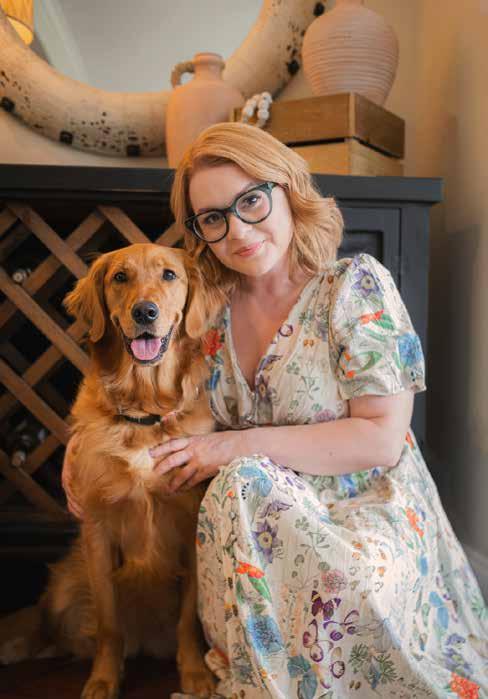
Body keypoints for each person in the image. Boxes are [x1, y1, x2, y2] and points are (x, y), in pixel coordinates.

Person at [63, 122, 487, 698]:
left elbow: (382, 439)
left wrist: (234, 446)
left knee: (325, 549)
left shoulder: (355, 287)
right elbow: (140, 391)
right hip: (249, 516)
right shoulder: (203, 306)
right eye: (213, 218)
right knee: (242, 486)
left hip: (359, 501)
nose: (238, 230)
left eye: (251, 201)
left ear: (287, 190)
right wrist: (84, 446)